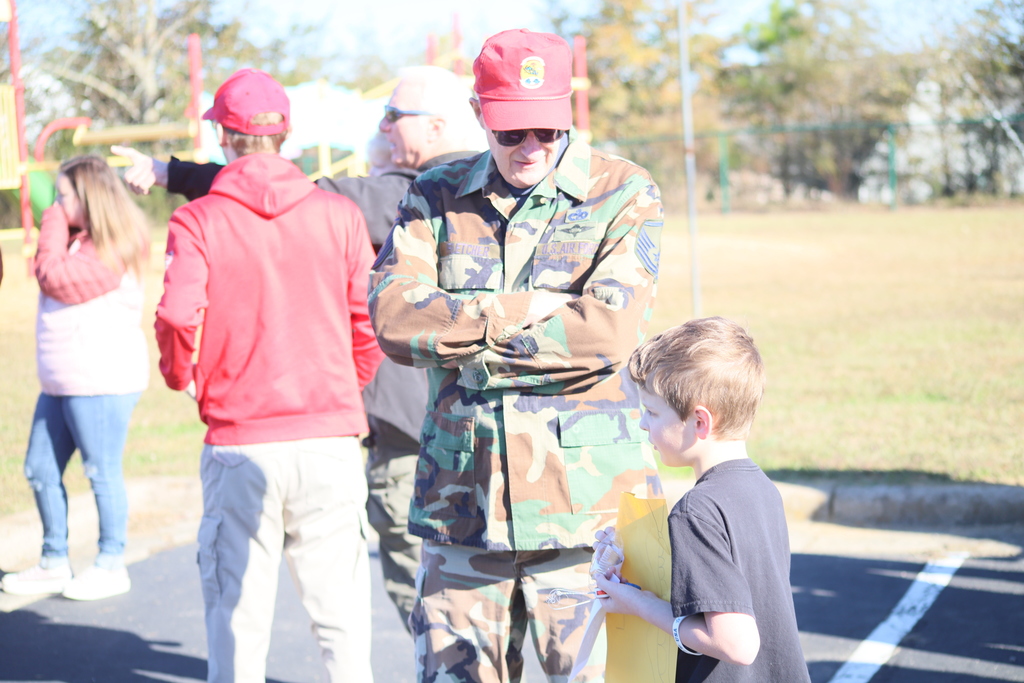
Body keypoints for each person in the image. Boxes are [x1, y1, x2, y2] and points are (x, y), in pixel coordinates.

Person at [113, 64, 481, 630]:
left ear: (435, 127)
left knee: (422, 587)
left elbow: (281, 191)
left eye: (392, 116)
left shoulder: (411, 193)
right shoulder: (490, 187)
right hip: (478, 417)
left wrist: (172, 172)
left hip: (412, 427)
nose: (383, 127)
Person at [368, 29, 665, 683]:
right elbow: (392, 319)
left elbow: (607, 333)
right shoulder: (437, 194)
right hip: (462, 511)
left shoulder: (623, 191)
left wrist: (465, 341)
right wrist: (515, 312)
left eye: (546, 130)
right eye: (510, 132)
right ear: (479, 116)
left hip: (591, 516)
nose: (531, 147)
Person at [153, 68, 384, 683]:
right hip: (329, 434)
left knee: (237, 615)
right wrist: (346, 386)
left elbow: (177, 314)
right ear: (285, 135)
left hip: (240, 438)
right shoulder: (338, 215)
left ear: (224, 139)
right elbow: (371, 320)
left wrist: (183, 378)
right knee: (340, 617)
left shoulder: (199, 220)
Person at [594, 317, 812, 683]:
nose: (644, 425)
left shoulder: (696, 512)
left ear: (700, 421)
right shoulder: (761, 488)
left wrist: (641, 604)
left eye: (652, 412)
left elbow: (736, 643)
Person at [1, 156, 149, 601]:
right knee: (39, 469)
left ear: (89, 198)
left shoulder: (113, 248)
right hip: (63, 383)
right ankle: (54, 560)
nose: (58, 204)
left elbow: (51, 277)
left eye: (64, 196)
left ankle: (110, 561)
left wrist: (50, 217)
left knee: (100, 472)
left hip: (101, 383)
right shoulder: (79, 241)